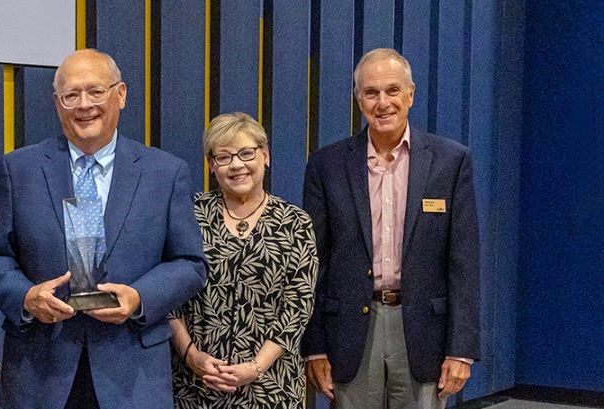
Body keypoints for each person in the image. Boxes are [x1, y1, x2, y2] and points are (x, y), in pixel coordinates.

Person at [0, 48, 207, 409]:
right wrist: (26, 296)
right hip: (40, 372)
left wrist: (139, 298)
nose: (84, 105)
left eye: (96, 91)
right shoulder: (19, 169)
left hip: (132, 374)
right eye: (71, 95)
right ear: (57, 104)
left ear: (121, 94)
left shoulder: (165, 173)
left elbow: (190, 264)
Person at [301, 48, 480, 408]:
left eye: (392, 90)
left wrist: (462, 350)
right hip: (350, 332)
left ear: (411, 94)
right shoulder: (327, 165)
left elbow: (464, 262)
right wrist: (314, 345)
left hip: (423, 333)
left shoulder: (450, 161)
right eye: (371, 92)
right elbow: (313, 263)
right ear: (358, 99)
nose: (382, 102)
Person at [169, 113, 317, 408]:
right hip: (196, 384)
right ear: (212, 166)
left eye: (246, 153)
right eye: (224, 157)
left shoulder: (295, 223)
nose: (237, 165)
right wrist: (191, 355)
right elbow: (169, 295)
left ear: (265, 156)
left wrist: (255, 368)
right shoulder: (188, 214)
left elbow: (298, 306)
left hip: (271, 386)